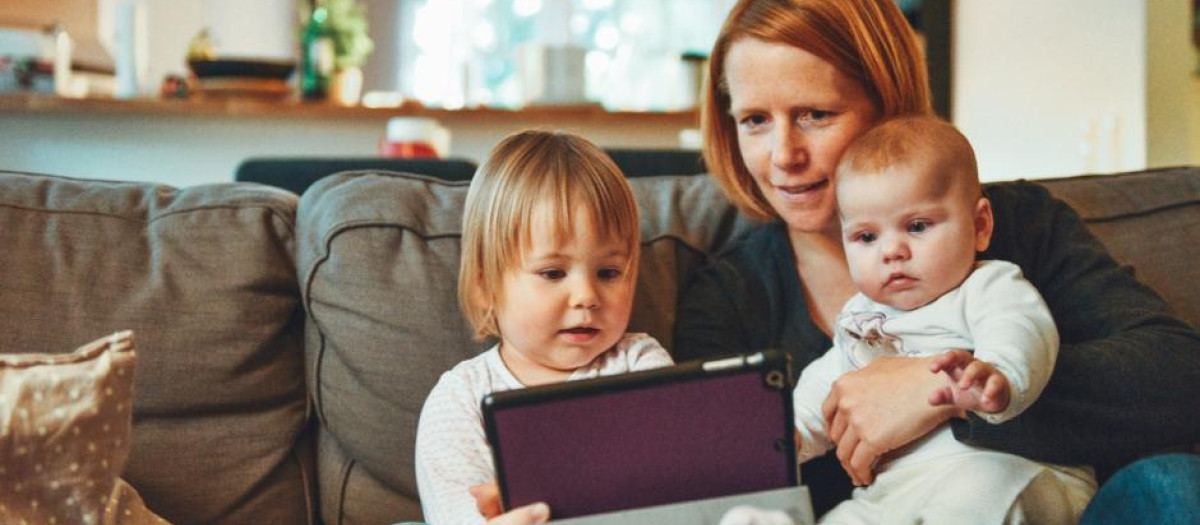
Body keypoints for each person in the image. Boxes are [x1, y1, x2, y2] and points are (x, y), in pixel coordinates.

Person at [672, 0, 1200, 519]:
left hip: (1027, 499)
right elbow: (722, 479)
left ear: (887, 105)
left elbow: (1180, 376)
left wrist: (942, 389)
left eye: (816, 114)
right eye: (756, 120)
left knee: (1171, 485)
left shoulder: (1015, 227)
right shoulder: (726, 298)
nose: (785, 155)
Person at [790, 115, 1095, 523]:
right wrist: (786, 435)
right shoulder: (860, 318)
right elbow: (828, 388)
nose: (891, 251)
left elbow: (1021, 330)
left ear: (980, 225)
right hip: (897, 493)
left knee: (974, 497)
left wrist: (997, 376)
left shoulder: (988, 285)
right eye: (866, 237)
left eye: (917, 226)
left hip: (1011, 471)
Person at [414, 130, 674, 524]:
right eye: (553, 273)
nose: (586, 295)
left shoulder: (639, 365)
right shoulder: (461, 400)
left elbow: (680, 485)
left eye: (608, 272)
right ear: (486, 285)